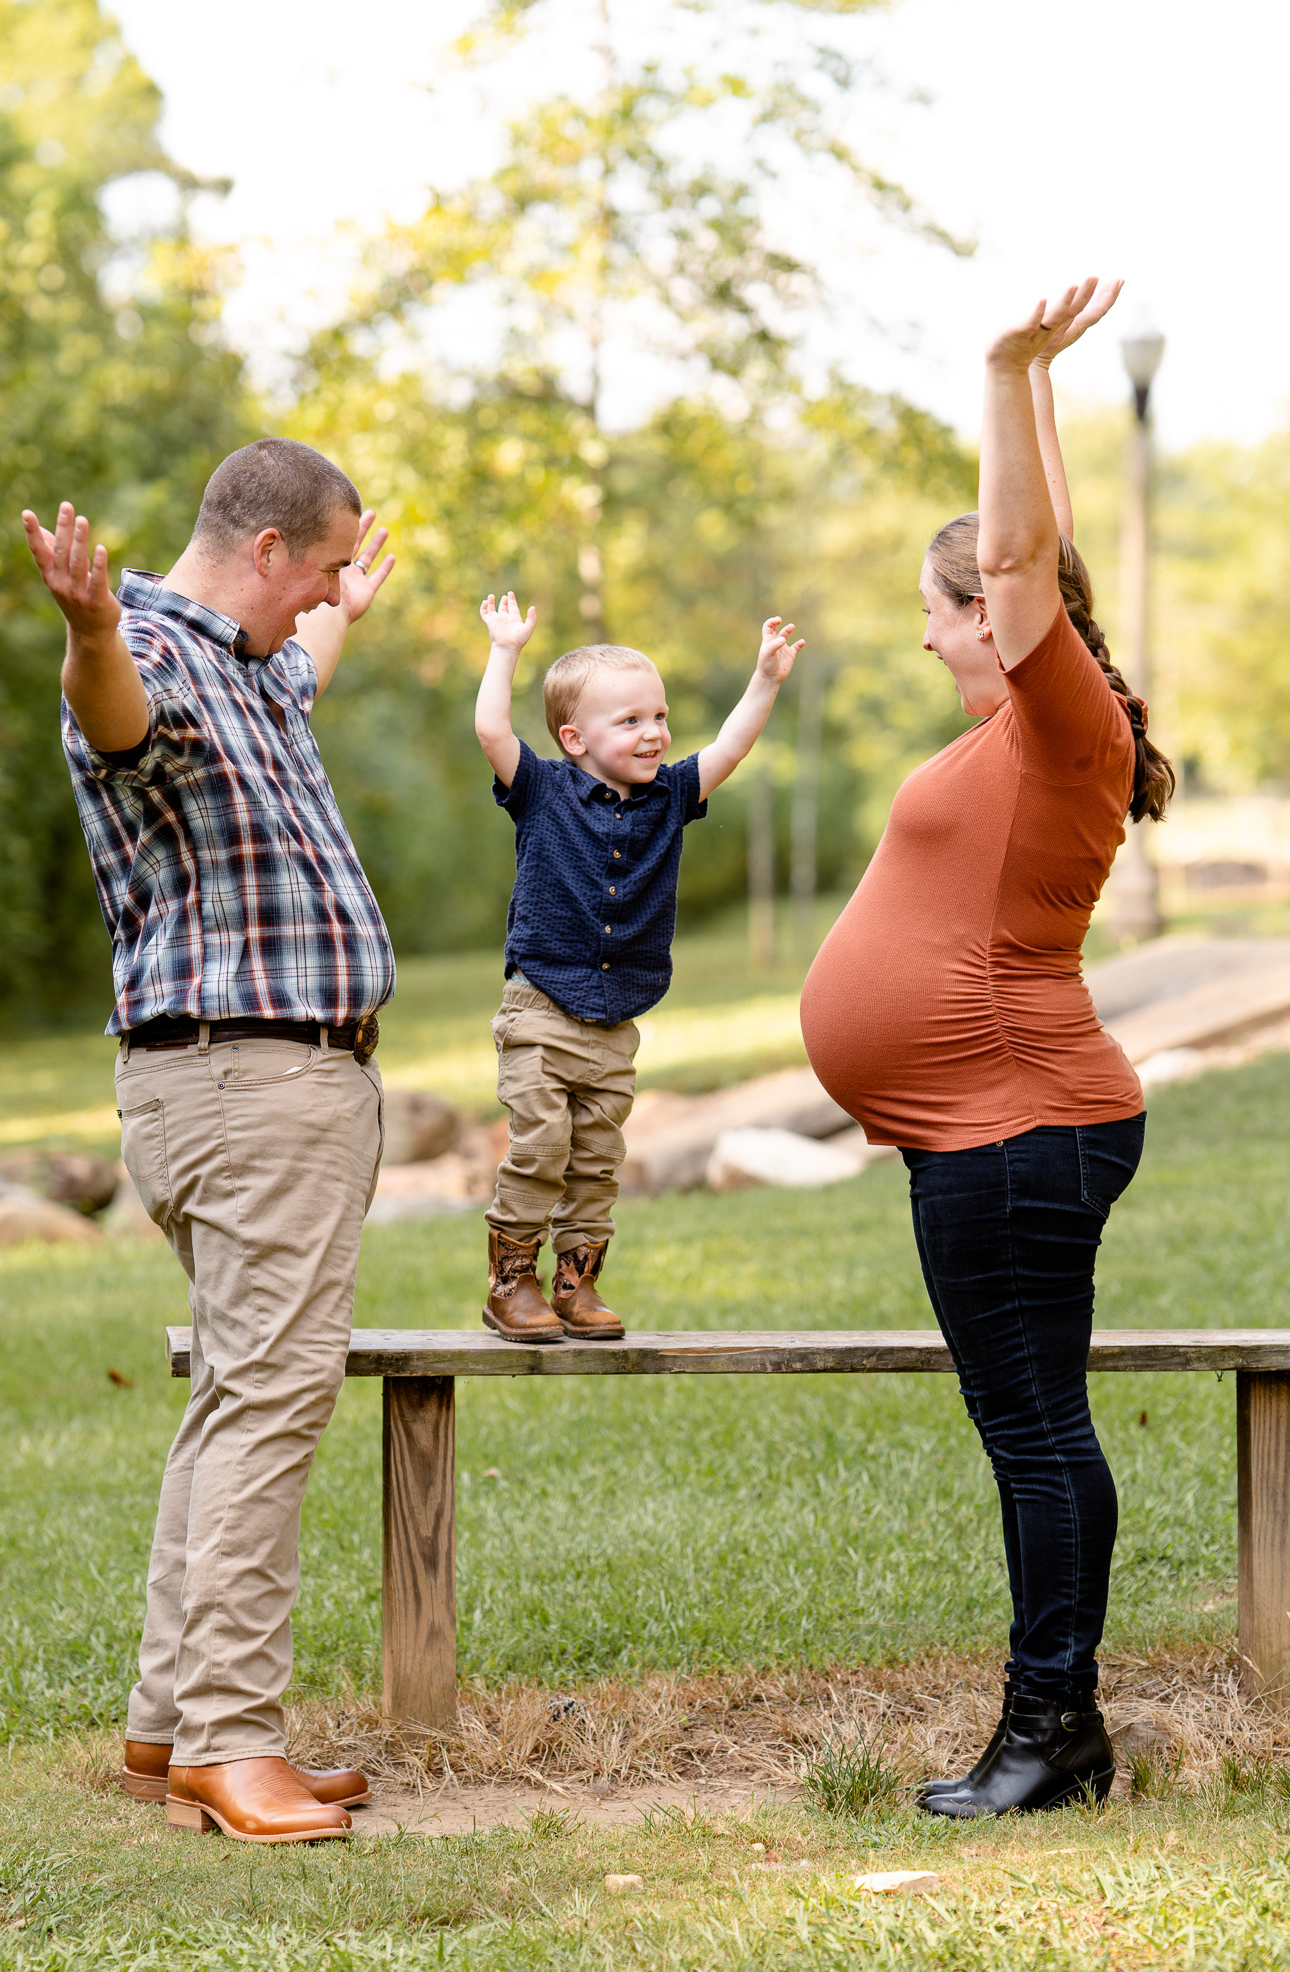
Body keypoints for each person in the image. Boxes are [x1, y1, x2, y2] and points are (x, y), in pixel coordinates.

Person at [800, 280, 1176, 1818]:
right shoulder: (1012, 733)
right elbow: (1045, 554)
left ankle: (1052, 1734)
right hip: (985, 1127)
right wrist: (1029, 405)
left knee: (1031, 1435)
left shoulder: (1053, 727)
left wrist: (999, 370)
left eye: (934, 600)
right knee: (1029, 1428)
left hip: (1015, 1123)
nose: (921, 622)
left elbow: (1026, 555)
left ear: (988, 621)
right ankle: (1051, 1724)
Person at [22, 438, 398, 1845]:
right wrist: (84, 631)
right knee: (272, 1399)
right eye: (325, 571)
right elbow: (109, 716)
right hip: (246, 1084)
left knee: (232, 1395)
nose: (329, 597)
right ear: (263, 553)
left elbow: (297, 676)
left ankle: (165, 1725)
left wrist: (336, 630)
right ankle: (234, 1740)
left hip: (267, 1088)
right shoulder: (153, 663)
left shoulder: (254, 671)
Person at [474, 594, 804, 1340]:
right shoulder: (541, 791)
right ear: (573, 737)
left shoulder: (670, 798)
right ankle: (509, 1283)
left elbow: (729, 748)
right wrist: (504, 650)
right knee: (540, 1145)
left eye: (656, 717)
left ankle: (576, 1286)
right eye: (629, 721)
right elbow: (492, 727)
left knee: (595, 1160)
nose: (653, 732)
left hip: (615, 1019)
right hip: (539, 1006)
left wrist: (764, 681)